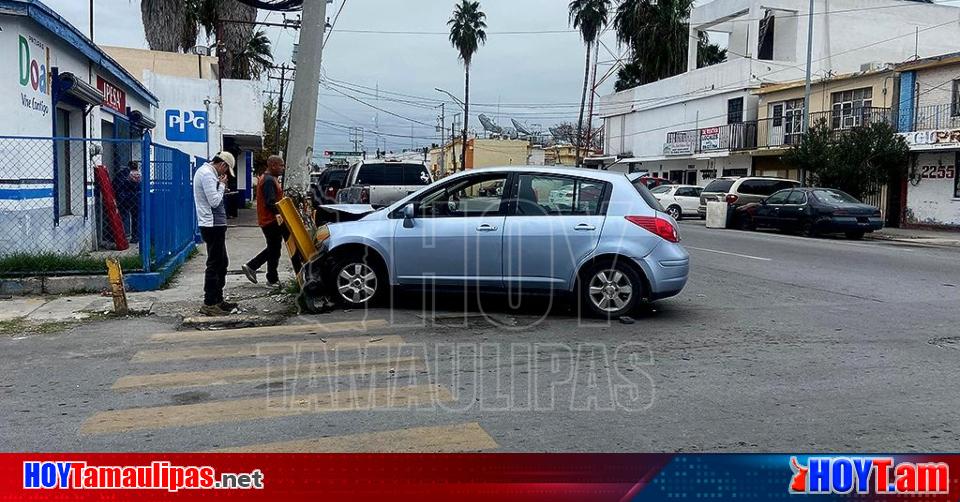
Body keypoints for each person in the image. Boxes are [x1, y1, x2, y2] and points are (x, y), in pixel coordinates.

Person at [193, 151, 237, 316]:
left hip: (214, 223)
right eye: (225, 171)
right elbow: (214, 201)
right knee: (215, 263)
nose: (224, 174)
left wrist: (220, 186)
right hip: (212, 225)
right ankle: (210, 302)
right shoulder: (207, 175)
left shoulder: (208, 174)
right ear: (223, 165)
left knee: (222, 262)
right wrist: (223, 186)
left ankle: (218, 299)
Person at [242, 155, 286, 286]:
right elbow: (270, 203)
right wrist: (282, 213)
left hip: (269, 220)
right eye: (281, 165)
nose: (282, 168)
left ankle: (256, 268)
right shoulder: (268, 180)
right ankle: (268, 277)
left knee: (274, 249)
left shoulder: (270, 179)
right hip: (270, 220)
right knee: (274, 249)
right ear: (273, 165)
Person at [113, 161, 141, 243]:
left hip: (126, 198)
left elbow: (116, 184)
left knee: (122, 217)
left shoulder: (124, 173)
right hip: (136, 198)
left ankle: (120, 236)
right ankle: (135, 237)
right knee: (135, 218)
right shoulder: (139, 174)